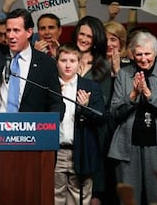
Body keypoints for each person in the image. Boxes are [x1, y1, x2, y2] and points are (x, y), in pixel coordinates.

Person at [108, 31, 157, 205]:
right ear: (132, 54)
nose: (143, 58)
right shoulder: (124, 75)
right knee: (128, 200)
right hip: (127, 147)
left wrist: (149, 95)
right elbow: (114, 113)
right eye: (139, 54)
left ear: (155, 52)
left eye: (147, 54)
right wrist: (132, 95)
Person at [54, 44, 105, 205]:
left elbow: (101, 119)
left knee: (79, 199)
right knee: (55, 197)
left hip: (82, 151)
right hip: (56, 152)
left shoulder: (91, 87)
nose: (68, 65)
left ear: (79, 63)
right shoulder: (50, 87)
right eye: (63, 60)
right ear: (56, 62)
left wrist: (86, 108)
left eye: (72, 60)